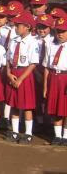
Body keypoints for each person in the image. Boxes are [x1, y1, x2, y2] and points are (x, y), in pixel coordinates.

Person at [5, 11, 38, 144]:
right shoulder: (13, 41)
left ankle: (28, 133)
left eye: (18, 25)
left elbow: (33, 63)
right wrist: (8, 73)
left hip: (25, 75)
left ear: (27, 27)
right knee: (14, 104)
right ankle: (15, 131)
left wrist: (21, 79)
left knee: (27, 105)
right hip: (13, 72)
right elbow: (8, 59)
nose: (15, 27)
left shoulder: (32, 42)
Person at [43, 17, 67, 145]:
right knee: (56, 109)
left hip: (65, 78)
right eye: (58, 31)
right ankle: (57, 136)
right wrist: (45, 86)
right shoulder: (51, 46)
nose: (60, 34)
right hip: (54, 78)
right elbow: (47, 66)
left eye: (63, 31)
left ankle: (66, 136)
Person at [34, 14, 54, 132]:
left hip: (49, 72)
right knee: (37, 97)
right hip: (35, 70)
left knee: (49, 97)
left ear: (50, 27)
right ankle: (39, 121)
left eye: (44, 27)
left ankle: (50, 122)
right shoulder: (34, 40)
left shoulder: (53, 41)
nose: (42, 30)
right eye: (39, 27)